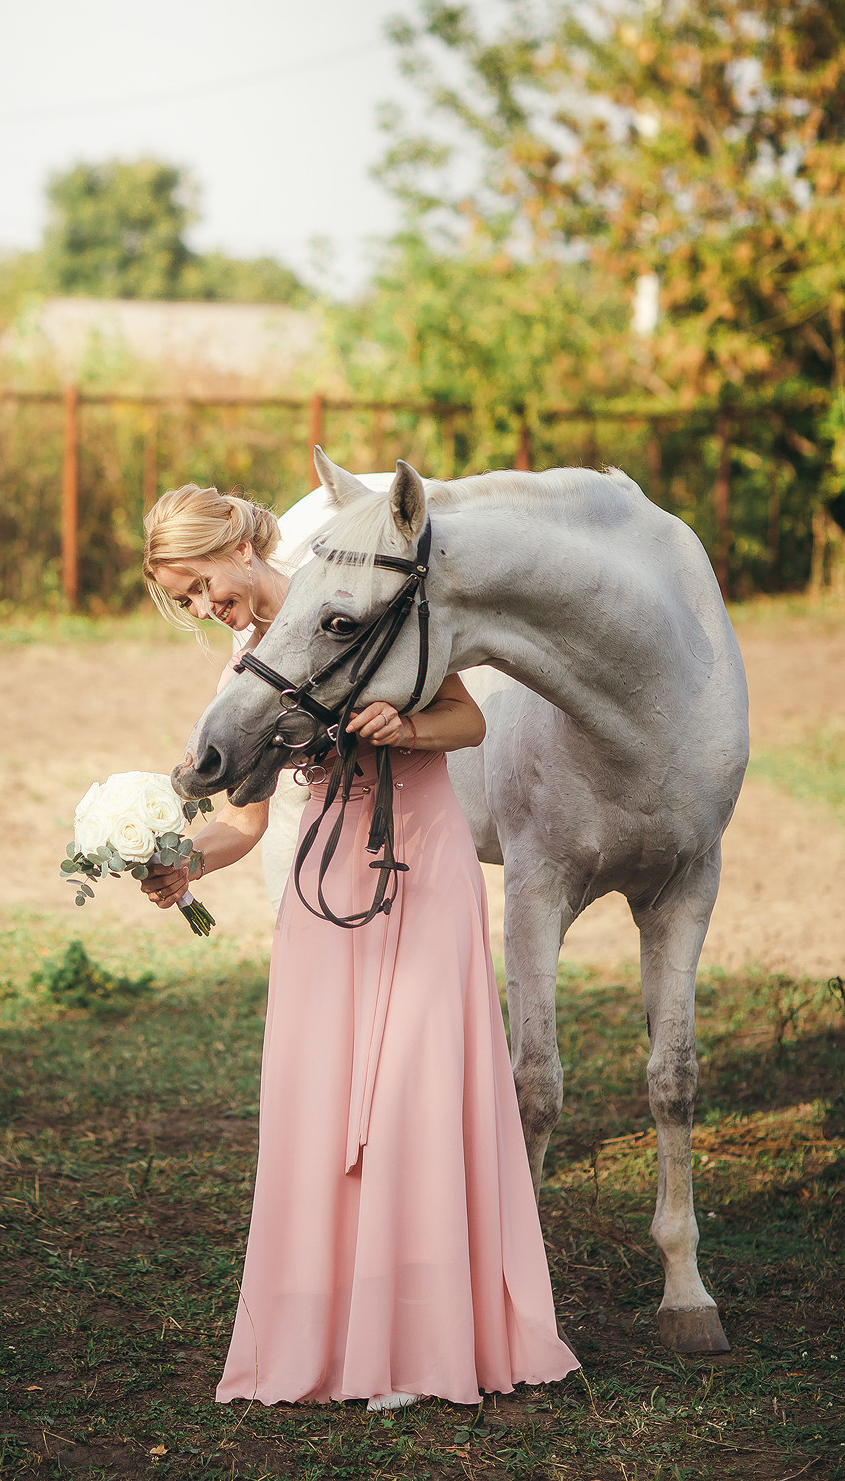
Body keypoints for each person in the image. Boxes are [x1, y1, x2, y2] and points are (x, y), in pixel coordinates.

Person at [140, 480, 578, 1410]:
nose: (202, 606)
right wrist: (183, 862)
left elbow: (471, 717)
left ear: (237, 546)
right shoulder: (243, 672)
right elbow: (249, 825)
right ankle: (333, 1334)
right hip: (323, 885)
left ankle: (431, 1337)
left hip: (422, 866)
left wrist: (406, 725)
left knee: (422, 1088)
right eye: (183, 600)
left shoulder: (350, 599)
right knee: (325, 1104)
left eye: (201, 583)